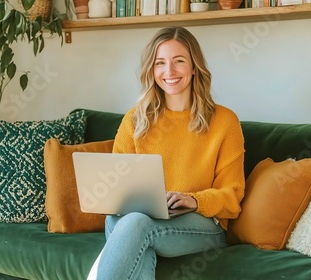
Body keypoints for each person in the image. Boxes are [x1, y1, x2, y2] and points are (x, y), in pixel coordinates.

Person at [91, 26, 245, 280]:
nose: (169, 71)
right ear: (152, 71)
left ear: (194, 67)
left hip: (201, 223)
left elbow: (232, 196)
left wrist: (194, 201)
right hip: (137, 220)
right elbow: (116, 186)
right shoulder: (135, 120)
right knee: (132, 229)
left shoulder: (224, 122)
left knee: (135, 225)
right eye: (160, 63)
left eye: (179, 61)